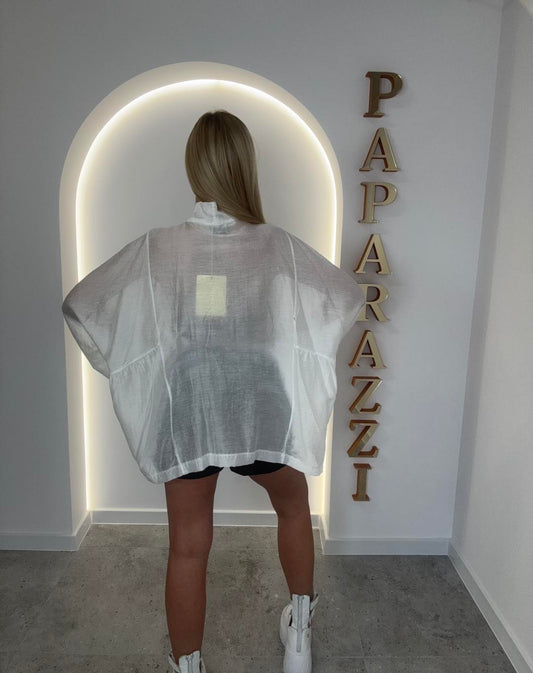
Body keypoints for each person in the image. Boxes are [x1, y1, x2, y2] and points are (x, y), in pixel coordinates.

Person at [62, 110, 366, 673]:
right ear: (245, 165)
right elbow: (345, 297)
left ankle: (188, 667)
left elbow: (82, 305)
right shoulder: (277, 245)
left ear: (194, 167)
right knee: (293, 508)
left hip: (187, 398)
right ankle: (299, 638)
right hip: (261, 396)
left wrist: (123, 366)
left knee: (187, 544)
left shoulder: (159, 247)